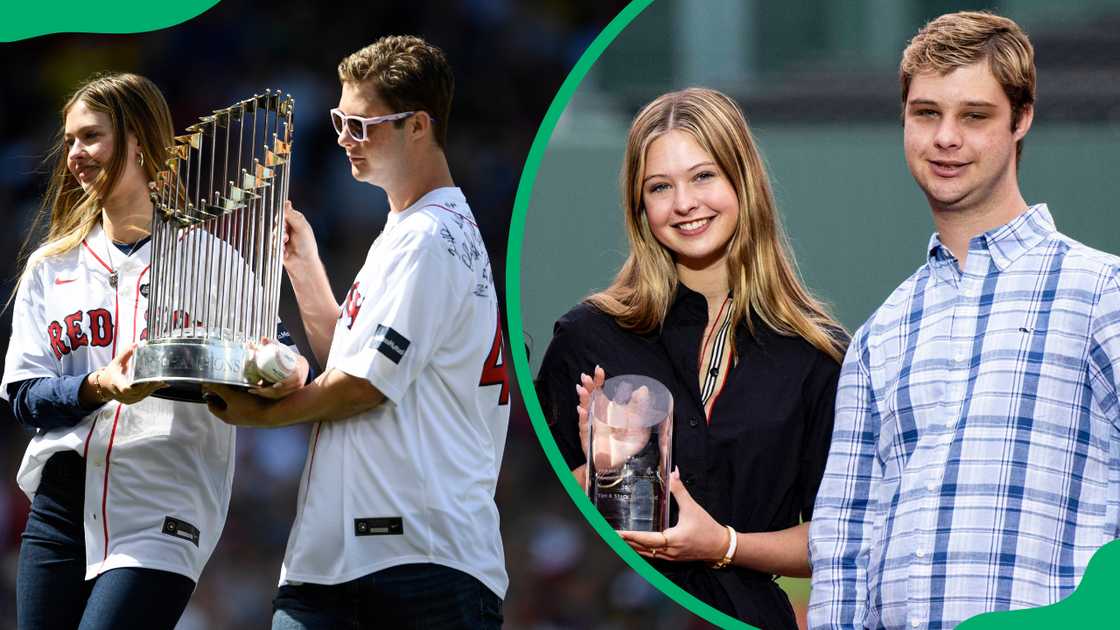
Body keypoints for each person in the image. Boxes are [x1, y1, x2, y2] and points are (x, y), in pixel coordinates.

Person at [808, 11, 1120, 628]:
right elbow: (844, 546)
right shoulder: (880, 335)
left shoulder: (1102, 294)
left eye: (974, 116)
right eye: (927, 113)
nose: (945, 137)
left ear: (1020, 119)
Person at [202, 35, 510, 629]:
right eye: (340, 119)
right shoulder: (410, 230)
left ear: (418, 126)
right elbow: (351, 358)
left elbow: (363, 385)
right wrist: (305, 265)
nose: (343, 136)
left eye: (362, 124)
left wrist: (260, 415)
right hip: (353, 560)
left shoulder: (426, 238)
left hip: (418, 563)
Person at [1, 72, 307, 630]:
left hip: (164, 503)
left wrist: (280, 370)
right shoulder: (52, 266)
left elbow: (281, 357)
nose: (75, 154)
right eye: (70, 140)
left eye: (90, 137)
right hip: (60, 509)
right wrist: (98, 386)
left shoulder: (210, 260)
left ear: (139, 140)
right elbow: (24, 398)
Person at [535, 87, 846, 629]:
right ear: (639, 206)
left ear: (742, 182)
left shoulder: (816, 354)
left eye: (703, 176)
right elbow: (545, 528)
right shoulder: (587, 339)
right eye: (660, 186)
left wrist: (724, 545)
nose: (684, 203)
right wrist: (597, 477)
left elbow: (835, 539)